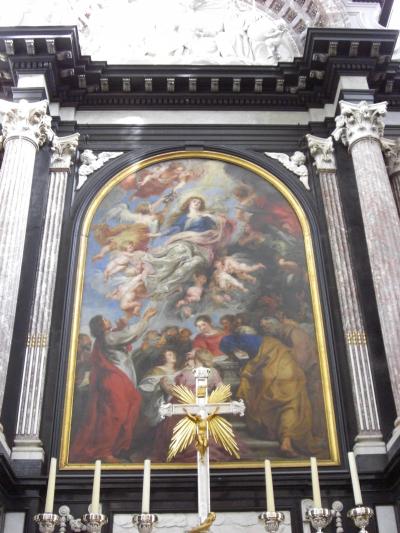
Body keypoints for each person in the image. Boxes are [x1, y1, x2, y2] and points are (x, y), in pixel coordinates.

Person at [70, 307, 157, 463]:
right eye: (104, 320)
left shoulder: (108, 337)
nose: (107, 320)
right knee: (115, 415)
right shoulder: (108, 337)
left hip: (118, 381)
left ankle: (115, 448)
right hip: (114, 382)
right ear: (100, 326)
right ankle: (104, 451)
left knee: (124, 411)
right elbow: (130, 334)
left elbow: (127, 335)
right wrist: (145, 318)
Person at [237, 333, 321, 458]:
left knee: (283, 407)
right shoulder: (274, 345)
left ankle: (285, 441)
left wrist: (246, 374)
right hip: (292, 377)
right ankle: (286, 441)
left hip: (276, 379)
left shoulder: (260, 350)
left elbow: (253, 367)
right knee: (292, 407)